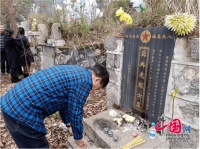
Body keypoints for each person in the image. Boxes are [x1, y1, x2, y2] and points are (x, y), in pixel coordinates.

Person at [1, 64, 109, 148]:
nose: (95, 90)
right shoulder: (85, 82)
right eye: (99, 87)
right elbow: (76, 111)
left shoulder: (77, 72)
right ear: (97, 80)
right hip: (23, 114)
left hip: (11, 104)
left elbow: (65, 103)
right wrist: (78, 137)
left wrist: (68, 124)